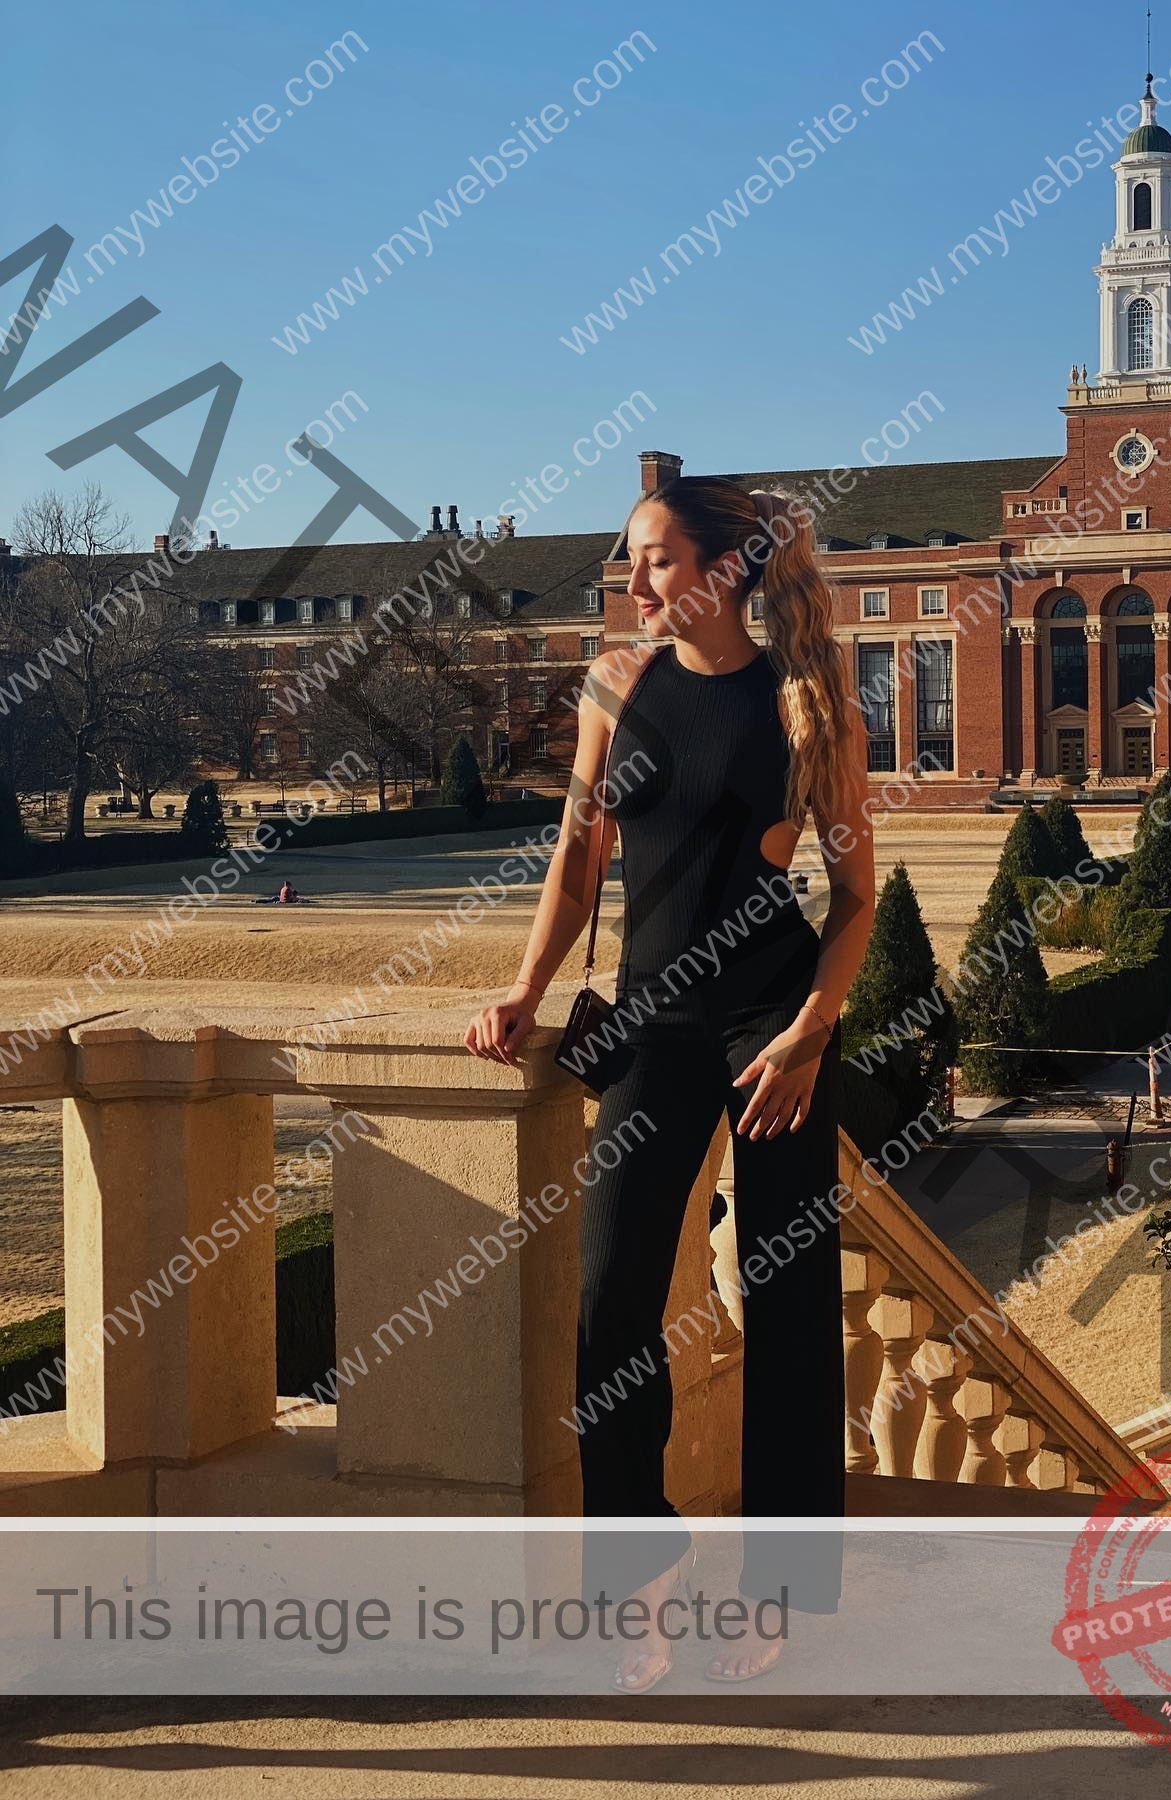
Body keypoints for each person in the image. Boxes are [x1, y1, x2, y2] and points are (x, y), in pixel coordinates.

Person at [466, 477, 875, 1690]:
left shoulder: (807, 701)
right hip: (649, 1021)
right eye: (631, 558)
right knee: (611, 1305)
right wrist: (526, 989)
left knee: (788, 1306)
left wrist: (809, 1034)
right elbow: (577, 862)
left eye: (655, 558)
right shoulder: (614, 686)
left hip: (770, 1026)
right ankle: (641, 1576)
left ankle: (777, 1591)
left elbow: (855, 899)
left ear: (723, 570)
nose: (634, 580)